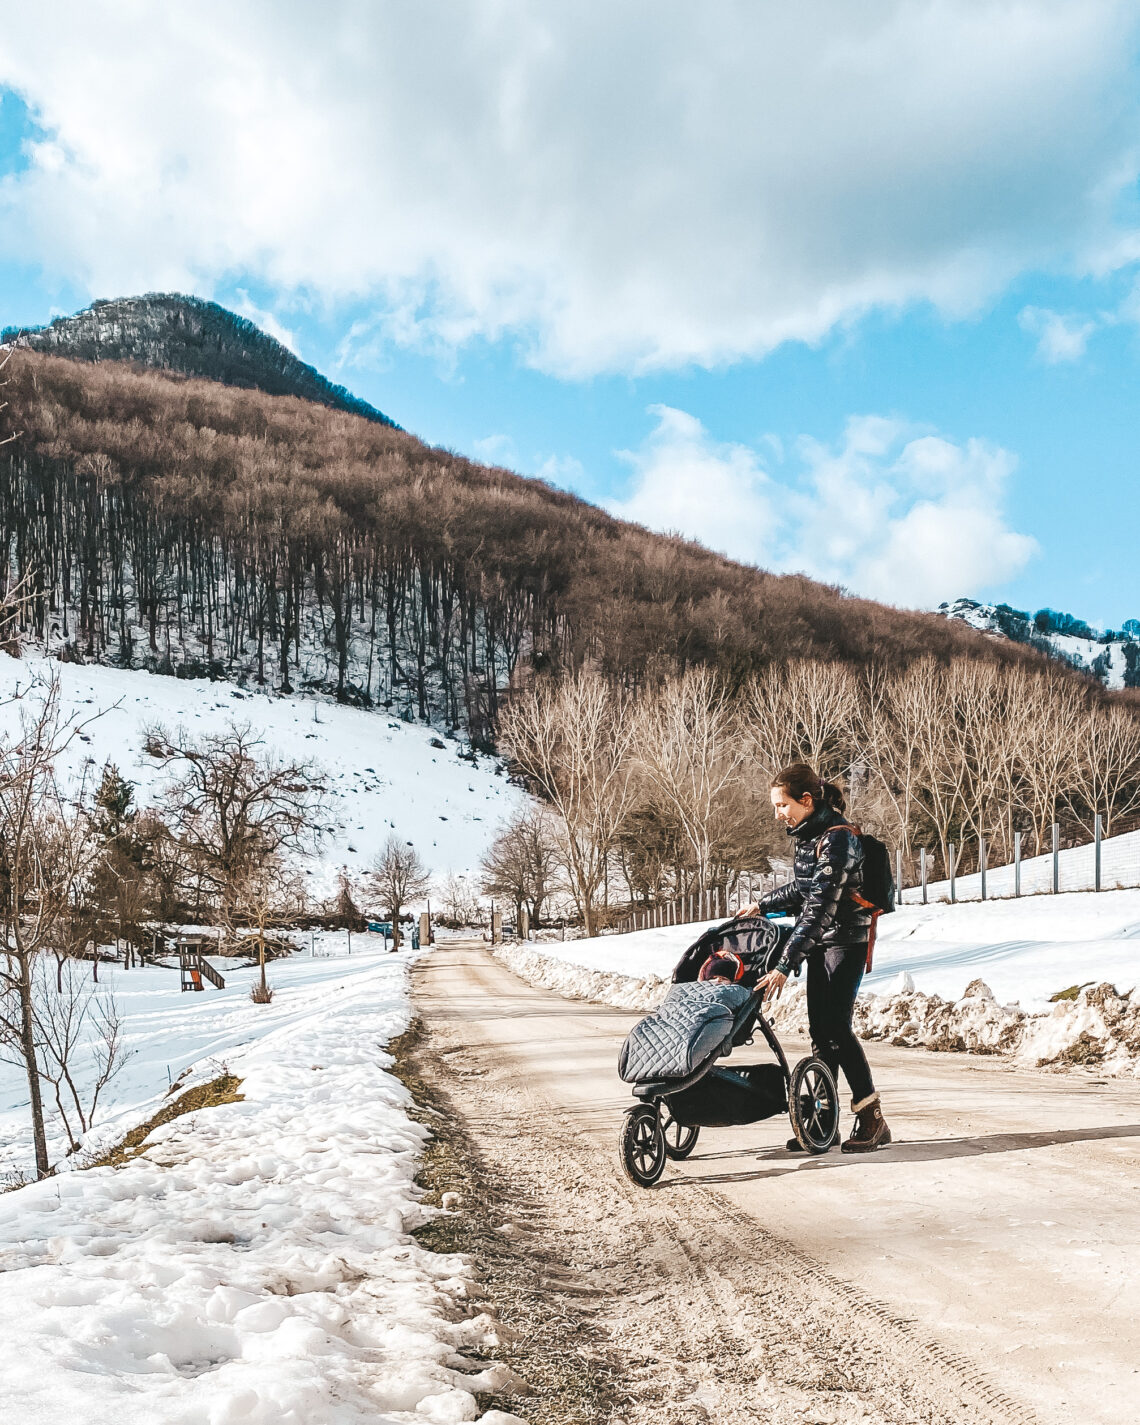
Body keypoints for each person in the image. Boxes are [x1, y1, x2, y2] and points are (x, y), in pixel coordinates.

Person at [740, 762, 891, 1154]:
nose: (778, 814)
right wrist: (763, 905)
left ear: (806, 800)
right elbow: (803, 888)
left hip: (845, 940)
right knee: (820, 1033)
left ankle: (872, 1119)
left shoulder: (838, 839)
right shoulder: (808, 837)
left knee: (836, 1028)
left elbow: (819, 908)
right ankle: (825, 1122)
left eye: (782, 805)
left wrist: (783, 966)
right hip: (821, 939)